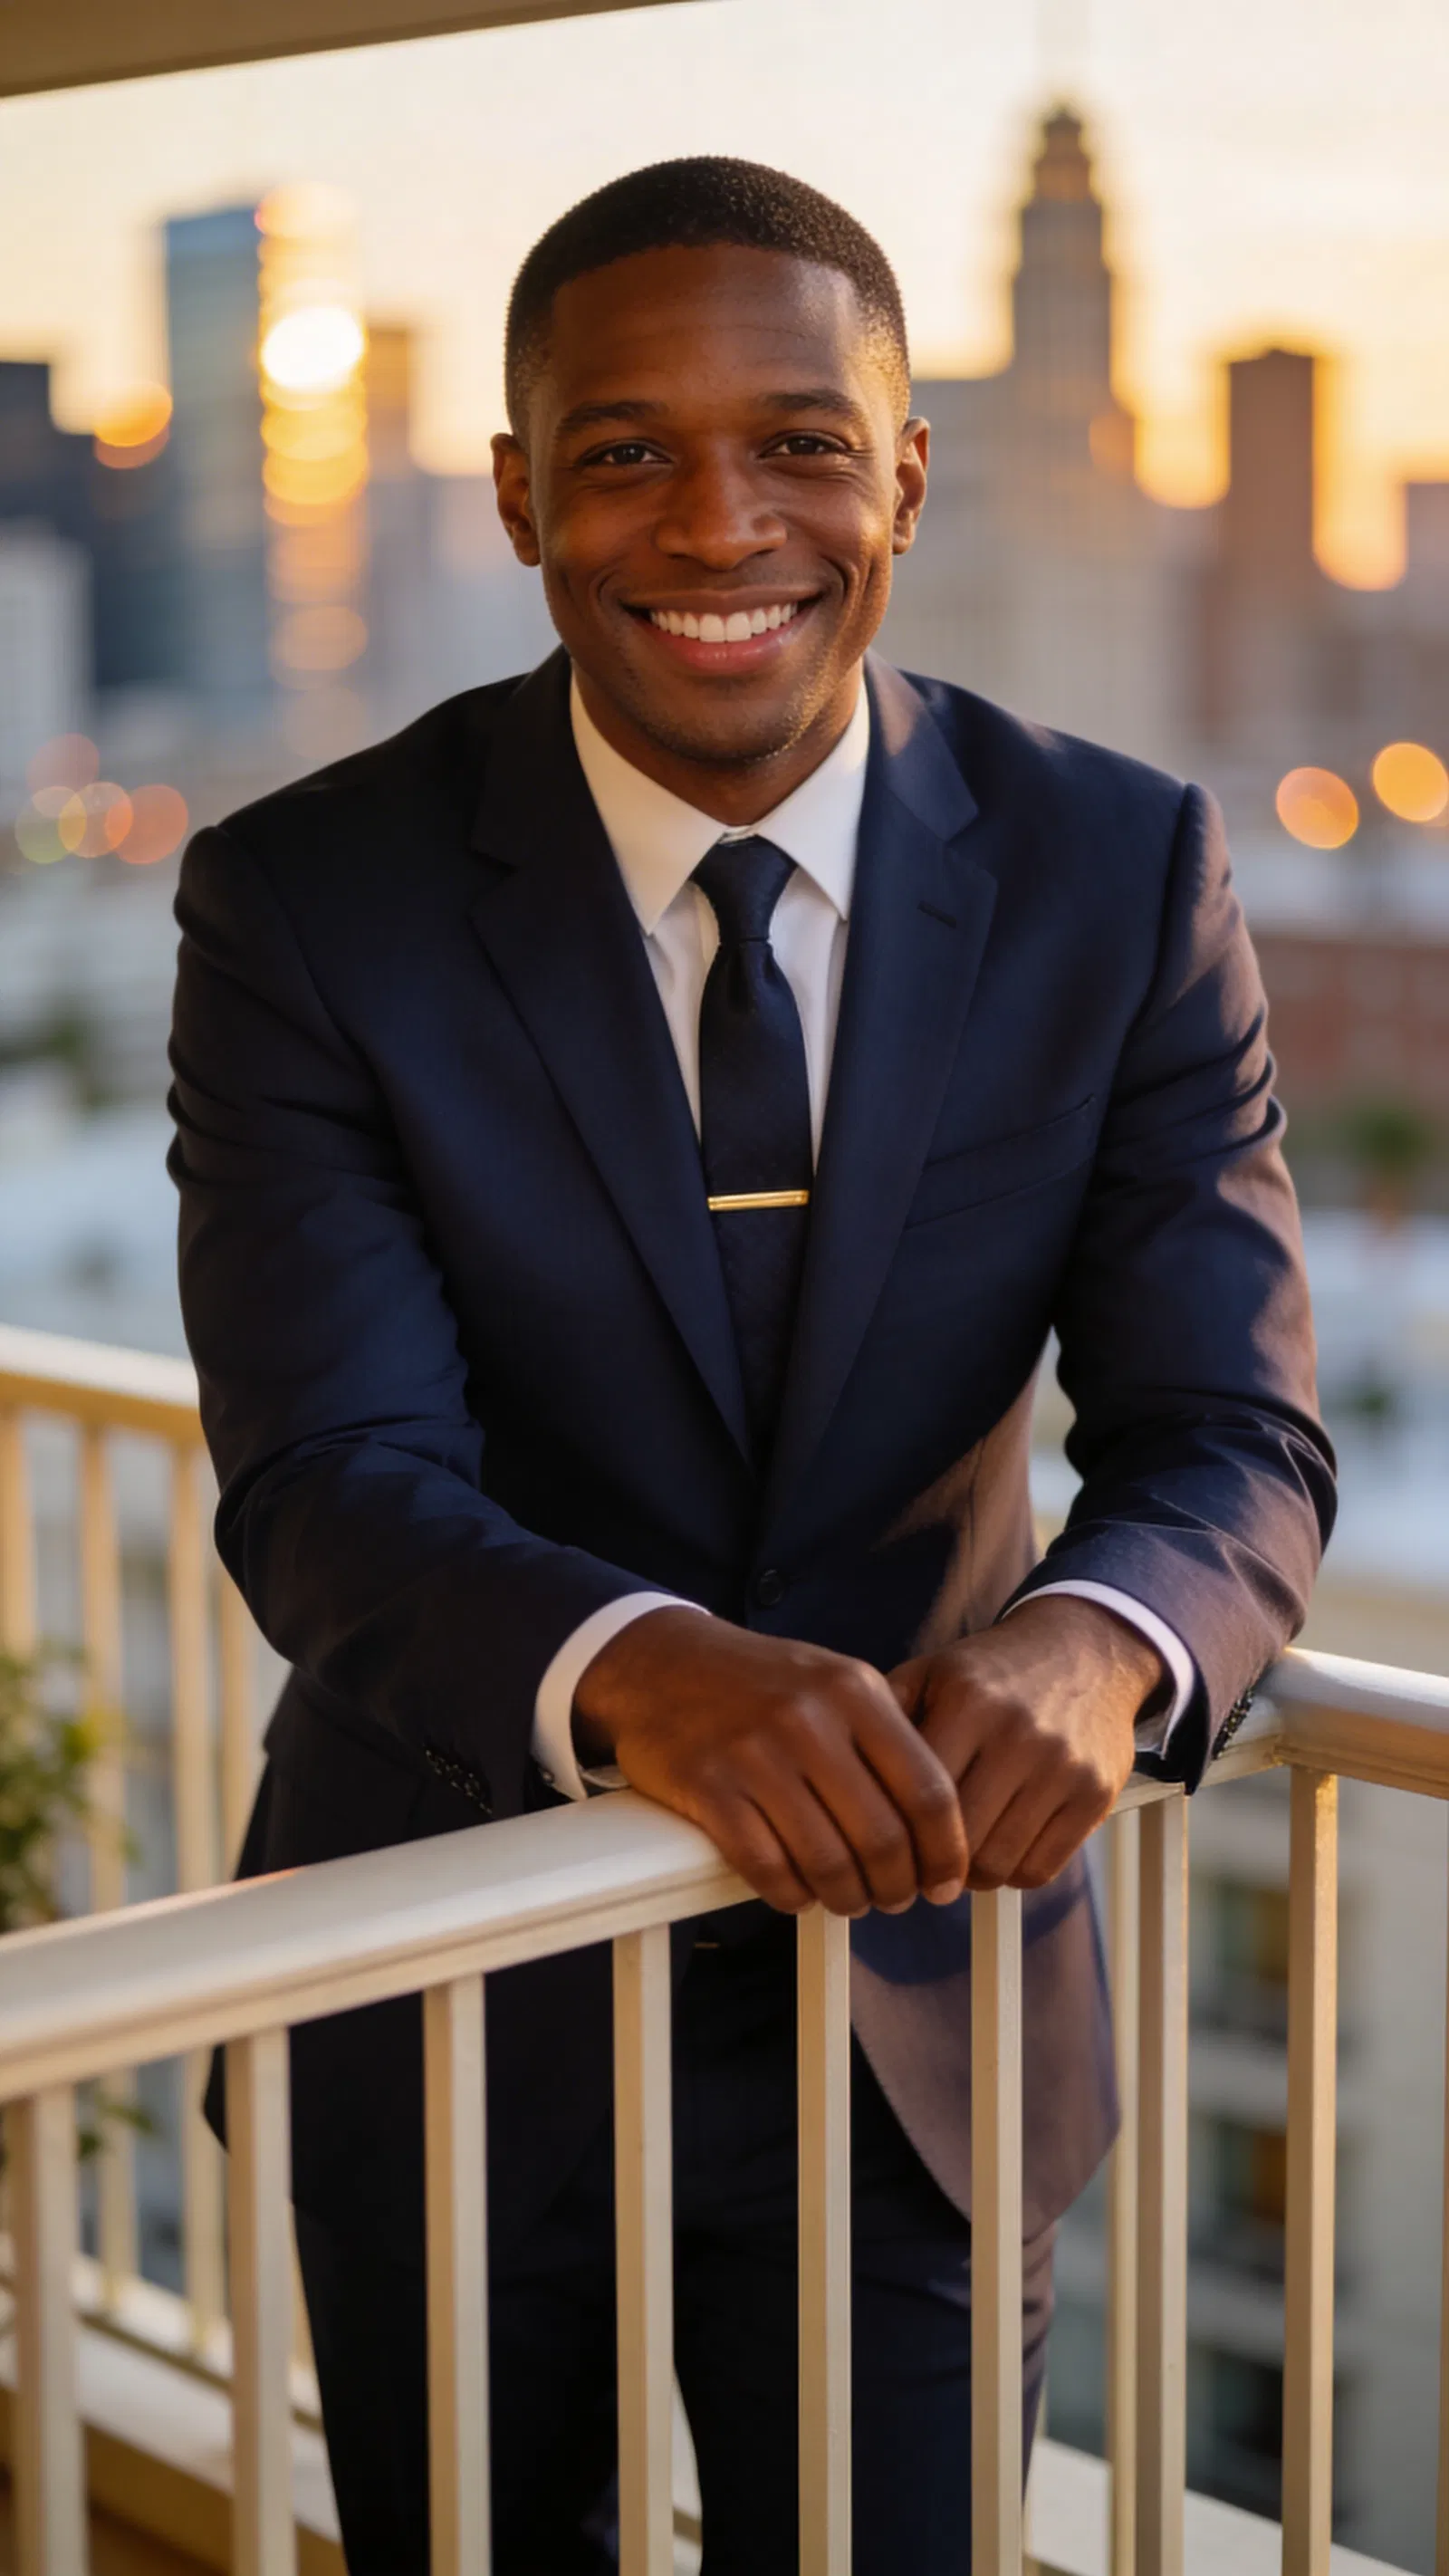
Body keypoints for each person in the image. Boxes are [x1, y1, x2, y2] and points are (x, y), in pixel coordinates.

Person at [169, 156, 1335, 2574]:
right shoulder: (309, 900)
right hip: (446, 1965)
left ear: (911, 468)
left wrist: (1102, 1648)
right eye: (627, 448)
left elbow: (1231, 1431)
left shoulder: (1124, 869)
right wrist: (650, 1677)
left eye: (804, 439)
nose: (725, 519)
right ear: (515, 492)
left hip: (927, 1994)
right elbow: (327, 1473)